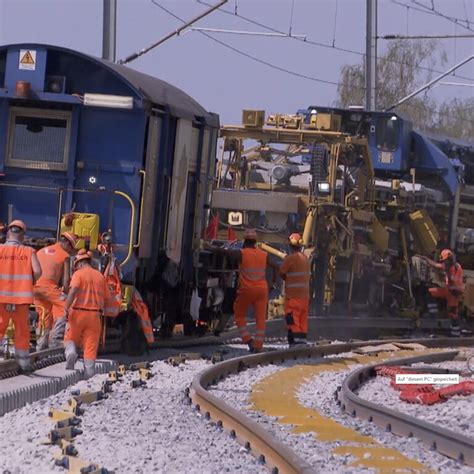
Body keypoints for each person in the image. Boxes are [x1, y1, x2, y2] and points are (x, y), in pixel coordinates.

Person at [206, 228, 278, 352]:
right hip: (262, 290)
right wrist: (273, 283)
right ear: (255, 241)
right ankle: (258, 345)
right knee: (260, 318)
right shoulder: (263, 254)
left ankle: (248, 340)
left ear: (245, 241)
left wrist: (210, 248)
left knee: (239, 315)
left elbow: (224, 253)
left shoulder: (241, 253)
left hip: (247, 290)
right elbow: (276, 266)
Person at [63, 249, 112, 378]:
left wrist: (66, 308)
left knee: (70, 338)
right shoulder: (100, 276)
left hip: (78, 313)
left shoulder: (78, 274)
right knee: (90, 347)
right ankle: (89, 374)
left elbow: (73, 291)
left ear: (79, 263)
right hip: (95, 315)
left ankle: (71, 353)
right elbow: (107, 297)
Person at [0, 220, 42, 372]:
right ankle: (23, 365)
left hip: (1, 298)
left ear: (9, 233)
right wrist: (29, 281)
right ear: (23, 235)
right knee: (21, 330)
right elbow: (37, 271)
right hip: (21, 299)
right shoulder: (29, 252)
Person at [34, 232, 78, 349]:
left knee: (44, 314)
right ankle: (55, 339)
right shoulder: (64, 255)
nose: (71, 250)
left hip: (35, 288)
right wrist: (66, 293)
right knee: (65, 306)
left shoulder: (41, 251)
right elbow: (66, 279)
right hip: (49, 288)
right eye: (71, 247)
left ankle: (41, 343)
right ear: (67, 244)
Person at [279, 233, 311, 345]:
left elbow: (281, 272)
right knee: (302, 320)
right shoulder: (305, 259)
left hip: (293, 296)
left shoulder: (291, 258)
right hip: (305, 297)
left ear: (290, 245)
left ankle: (295, 344)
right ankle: (302, 342)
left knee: (292, 319)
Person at [425, 249, 464, 336]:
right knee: (453, 313)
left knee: (453, 314)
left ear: (449, 259)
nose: (444, 262)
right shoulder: (450, 266)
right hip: (452, 291)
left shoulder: (454, 267)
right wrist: (425, 259)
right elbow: (436, 265)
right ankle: (455, 333)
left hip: (453, 292)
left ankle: (455, 333)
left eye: (445, 260)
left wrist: (443, 282)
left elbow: (453, 281)